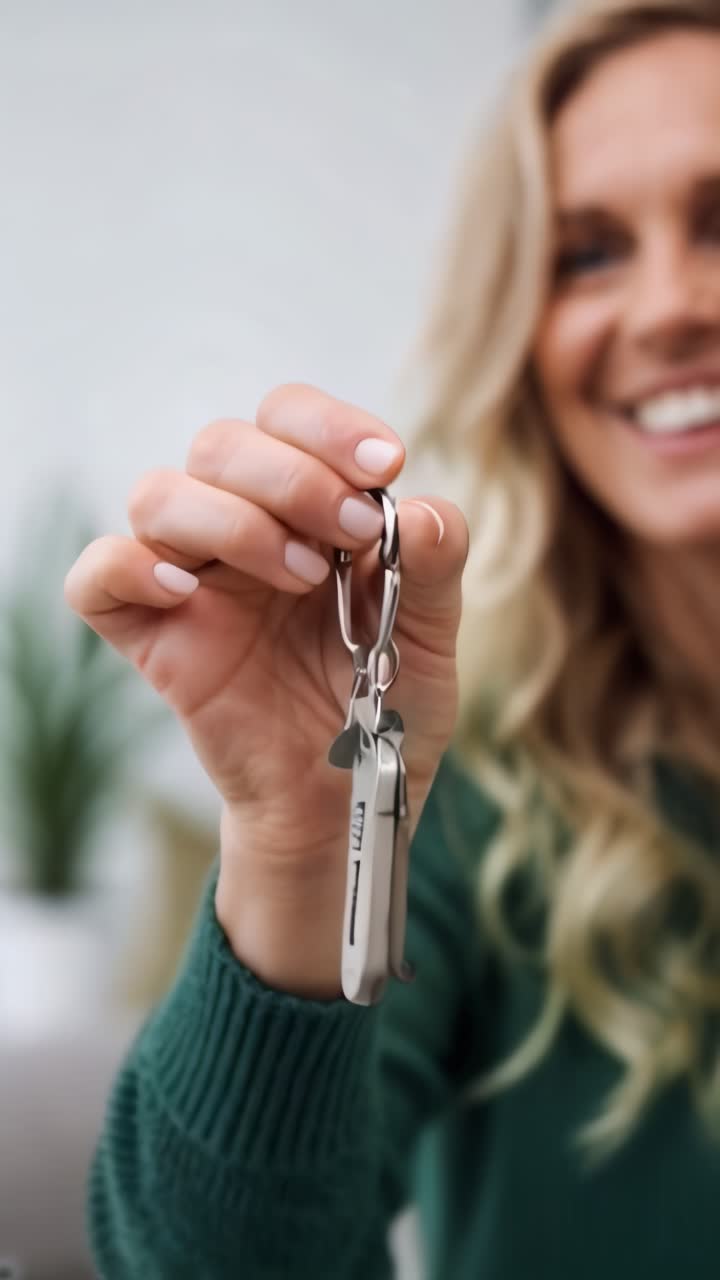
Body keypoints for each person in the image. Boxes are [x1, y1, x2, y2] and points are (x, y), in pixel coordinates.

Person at [64, 0, 720, 1275]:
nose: (667, 306)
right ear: (522, 342)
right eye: (586, 254)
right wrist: (299, 848)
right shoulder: (478, 792)